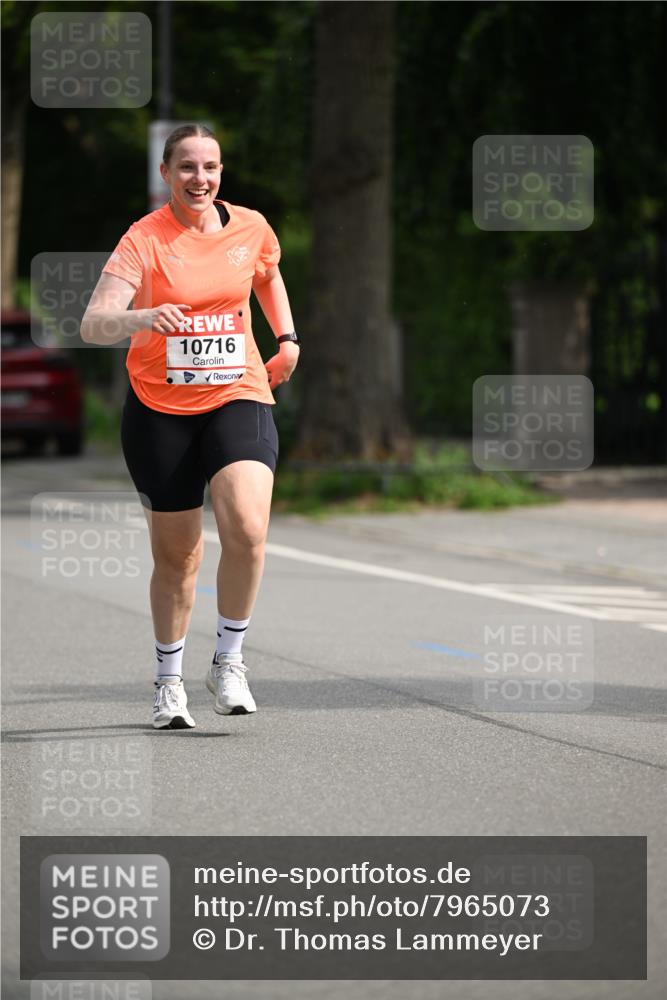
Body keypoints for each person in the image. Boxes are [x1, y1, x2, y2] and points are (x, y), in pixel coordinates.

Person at [81, 123, 300, 729]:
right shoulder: (144, 239)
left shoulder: (251, 226)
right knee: (178, 557)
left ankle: (229, 660)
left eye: (210, 167)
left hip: (238, 391)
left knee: (248, 528)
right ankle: (168, 681)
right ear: (166, 174)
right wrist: (144, 316)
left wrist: (285, 338)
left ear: (221, 172)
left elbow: (267, 275)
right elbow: (93, 324)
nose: (199, 179)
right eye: (186, 168)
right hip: (159, 408)